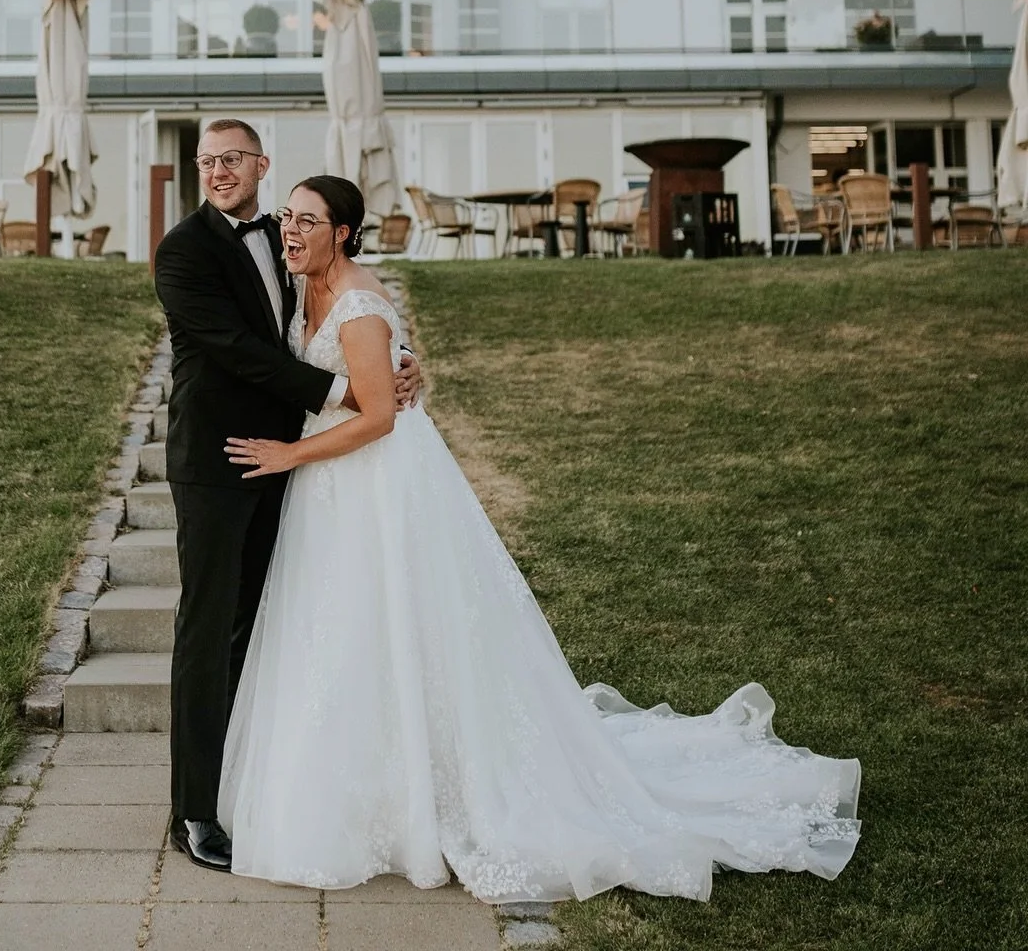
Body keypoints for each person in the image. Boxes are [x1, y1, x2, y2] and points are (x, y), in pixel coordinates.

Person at [219, 173, 862, 903]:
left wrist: (287, 455)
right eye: (288, 217)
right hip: (337, 492)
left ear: (343, 232)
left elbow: (377, 417)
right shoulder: (303, 286)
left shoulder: (359, 305)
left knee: (388, 624)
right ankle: (359, 784)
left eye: (308, 220)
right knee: (343, 633)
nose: (292, 230)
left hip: (369, 478)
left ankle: (430, 796)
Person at [152, 121, 421, 871]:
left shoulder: (287, 235)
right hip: (217, 461)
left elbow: (351, 310)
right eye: (206, 162)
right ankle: (193, 812)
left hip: (290, 463)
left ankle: (245, 786)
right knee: (205, 634)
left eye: (231, 159)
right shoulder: (183, 251)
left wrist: (401, 367)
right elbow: (233, 350)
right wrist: (353, 393)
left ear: (260, 164)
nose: (217, 172)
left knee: (260, 627)